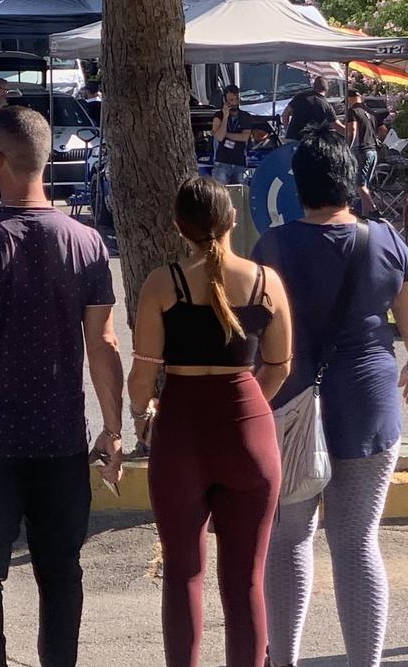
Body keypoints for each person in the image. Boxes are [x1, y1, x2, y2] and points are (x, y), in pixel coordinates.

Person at [0, 107, 124, 667]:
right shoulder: (86, 243)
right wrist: (112, 427)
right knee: (61, 574)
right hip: (60, 438)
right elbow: (104, 344)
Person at [255, 130, 408, 667]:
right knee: (357, 542)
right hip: (368, 404)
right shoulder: (385, 241)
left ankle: (282, 659)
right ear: (353, 183)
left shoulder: (274, 246)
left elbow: (252, 332)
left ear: (299, 187)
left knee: (290, 537)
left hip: (288, 406)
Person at [131, 178, 292, 667]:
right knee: (246, 579)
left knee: (183, 572)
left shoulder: (163, 283)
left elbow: (143, 373)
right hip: (249, 431)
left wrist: (142, 419)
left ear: (180, 227)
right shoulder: (266, 282)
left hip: (181, 428)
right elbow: (280, 363)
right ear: (233, 220)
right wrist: (246, 407)